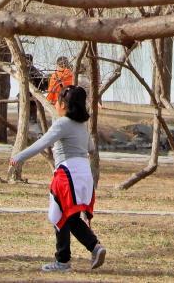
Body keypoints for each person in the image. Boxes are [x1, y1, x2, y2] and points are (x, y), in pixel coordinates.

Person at [10, 85, 106, 272]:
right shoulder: (81, 125)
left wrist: (18, 157)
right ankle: (94, 247)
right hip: (84, 173)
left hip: (67, 173)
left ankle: (63, 262)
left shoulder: (62, 124)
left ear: (64, 104)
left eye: (57, 100)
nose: (54, 103)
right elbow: (91, 148)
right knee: (69, 217)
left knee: (58, 215)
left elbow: (42, 143)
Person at [26, 54, 47, 123]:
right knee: (29, 118)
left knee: (30, 118)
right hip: (30, 95)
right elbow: (41, 82)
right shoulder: (33, 70)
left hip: (31, 96)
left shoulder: (31, 70)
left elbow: (40, 82)